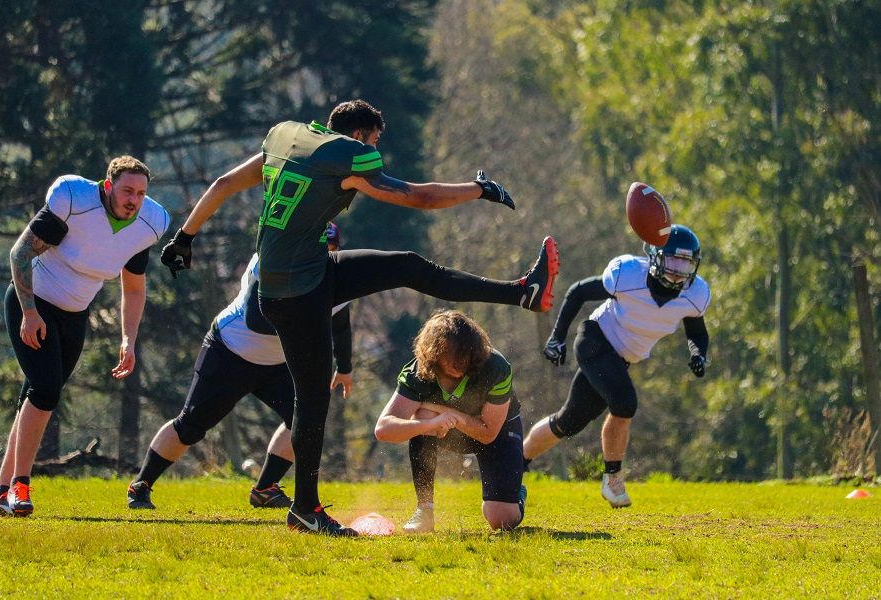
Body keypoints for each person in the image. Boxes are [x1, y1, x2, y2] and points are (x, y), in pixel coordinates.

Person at [160, 99, 559, 535]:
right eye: (374, 143)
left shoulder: (285, 137)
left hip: (304, 273)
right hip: (298, 292)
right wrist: (478, 189)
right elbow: (418, 197)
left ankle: (522, 292)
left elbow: (223, 183)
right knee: (312, 400)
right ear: (360, 137)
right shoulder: (348, 154)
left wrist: (184, 238)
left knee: (407, 265)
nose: (375, 154)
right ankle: (306, 510)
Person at [127, 224, 354, 510]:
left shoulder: (333, 275)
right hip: (230, 351)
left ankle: (265, 488)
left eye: (329, 251)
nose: (321, 256)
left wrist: (345, 366)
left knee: (305, 419)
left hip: (278, 362)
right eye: (316, 248)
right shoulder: (272, 260)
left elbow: (341, 323)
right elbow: (256, 321)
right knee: (191, 427)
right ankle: (140, 485)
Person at [0, 156, 170, 517]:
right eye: (126, 191)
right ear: (107, 187)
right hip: (33, 302)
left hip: (75, 315)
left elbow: (133, 288)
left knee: (38, 395)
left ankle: (1, 492)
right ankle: (19, 487)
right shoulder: (74, 199)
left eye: (140, 192)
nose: (133, 200)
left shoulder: (150, 222)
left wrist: (127, 339)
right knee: (44, 391)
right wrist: (29, 312)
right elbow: (20, 252)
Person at [522, 225, 711, 508]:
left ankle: (515, 460)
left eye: (685, 263)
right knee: (624, 403)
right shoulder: (629, 274)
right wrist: (557, 337)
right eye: (673, 261)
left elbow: (697, 332)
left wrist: (698, 353)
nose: (678, 270)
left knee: (568, 421)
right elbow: (578, 292)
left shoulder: (693, 294)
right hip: (595, 340)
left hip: (620, 359)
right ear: (657, 257)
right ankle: (612, 479)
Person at [375, 310, 526, 532]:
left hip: (497, 432)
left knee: (501, 520)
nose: (459, 360)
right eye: (450, 353)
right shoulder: (418, 373)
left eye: (465, 353)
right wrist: (429, 424)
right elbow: (383, 429)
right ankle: (425, 510)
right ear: (434, 353)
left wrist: (445, 413)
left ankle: (516, 495)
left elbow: (488, 434)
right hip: (450, 432)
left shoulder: (495, 367)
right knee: (422, 417)